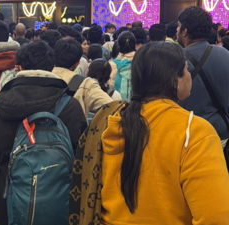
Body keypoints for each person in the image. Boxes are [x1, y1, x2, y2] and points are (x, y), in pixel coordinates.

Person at [69, 40, 229, 225]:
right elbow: (216, 217)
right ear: (174, 80)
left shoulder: (111, 121)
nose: (189, 77)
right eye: (186, 70)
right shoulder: (194, 131)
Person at [0, 40, 87, 225]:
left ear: (19, 67)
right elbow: (82, 155)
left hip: (10, 200)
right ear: (51, 66)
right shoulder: (70, 105)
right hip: (62, 201)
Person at [177, 6, 229, 146]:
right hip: (221, 132)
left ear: (185, 31)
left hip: (189, 135)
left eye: (179, 26)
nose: (177, 30)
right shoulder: (225, 54)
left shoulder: (177, 59)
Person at [52, 39, 112, 116]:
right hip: (71, 127)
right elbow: (111, 106)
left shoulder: (41, 77)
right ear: (77, 64)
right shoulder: (86, 84)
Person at [108, 31, 136, 101]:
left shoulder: (111, 64)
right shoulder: (141, 61)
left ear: (119, 47)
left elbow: (110, 85)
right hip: (137, 102)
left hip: (117, 103)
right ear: (135, 45)